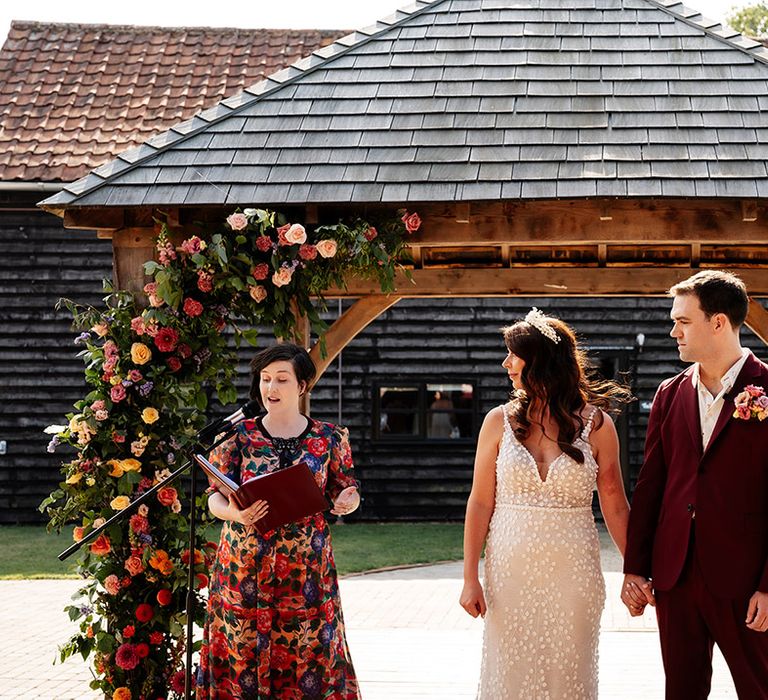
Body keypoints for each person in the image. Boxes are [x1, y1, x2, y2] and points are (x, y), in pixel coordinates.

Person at [460, 308, 632, 699]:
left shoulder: (597, 425)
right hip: (510, 571)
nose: (506, 364)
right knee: (511, 671)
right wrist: (470, 577)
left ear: (540, 361)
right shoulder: (497, 421)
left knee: (568, 669)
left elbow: (615, 502)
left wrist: (634, 569)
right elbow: (480, 501)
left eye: (513, 355)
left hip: (574, 571)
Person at [622, 270, 768, 699]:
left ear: (718, 322)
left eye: (683, 321)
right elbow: (652, 486)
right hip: (676, 576)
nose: (673, 331)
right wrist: (635, 567)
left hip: (745, 581)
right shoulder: (670, 394)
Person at [197, 343, 362, 699]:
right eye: (265, 379)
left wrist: (348, 501)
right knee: (242, 655)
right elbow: (214, 497)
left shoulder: (330, 438)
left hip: (307, 574)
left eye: (282, 380)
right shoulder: (237, 437)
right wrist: (234, 513)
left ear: (302, 386)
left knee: (309, 658)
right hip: (243, 570)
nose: (270, 388)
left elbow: (345, 488)